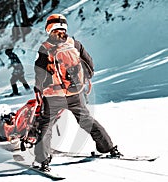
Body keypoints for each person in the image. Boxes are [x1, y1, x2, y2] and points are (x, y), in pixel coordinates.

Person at [33, 14, 122, 171]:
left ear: (48, 28)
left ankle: (42, 160)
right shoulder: (75, 44)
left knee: (46, 125)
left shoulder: (45, 47)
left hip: (53, 96)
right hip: (75, 93)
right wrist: (81, 81)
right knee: (86, 120)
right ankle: (108, 148)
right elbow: (89, 65)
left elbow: (39, 73)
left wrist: (39, 89)